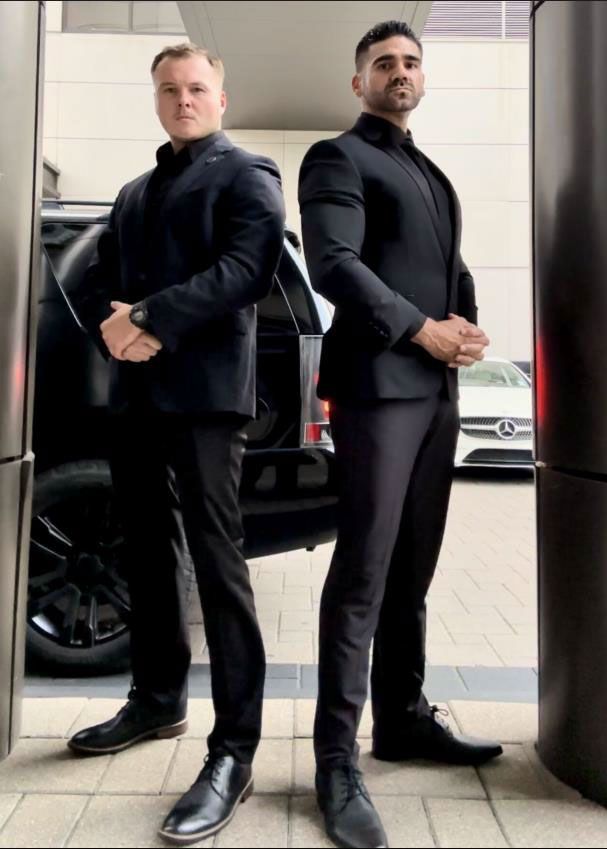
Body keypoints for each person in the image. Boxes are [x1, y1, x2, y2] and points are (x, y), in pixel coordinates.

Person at [67, 43, 285, 846]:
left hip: (204, 400)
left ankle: (234, 750)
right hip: (137, 398)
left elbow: (248, 268)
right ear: (155, 98)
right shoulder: (131, 191)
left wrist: (151, 318)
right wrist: (115, 331)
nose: (183, 99)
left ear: (221, 98)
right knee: (147, 557)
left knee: (218, 565)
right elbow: (94, 277)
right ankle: (157, 699)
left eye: (197, 88)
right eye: (170, 89)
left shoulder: (247, 171)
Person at [298, 21, 503, 849]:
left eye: (412, 62)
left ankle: (404, 717)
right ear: (359, 83)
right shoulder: (338, 158)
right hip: (380, 385)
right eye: (384, 63)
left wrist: (467, 326)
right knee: (365, 570)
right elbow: (334, 264)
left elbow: (453, 268)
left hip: (438, 391)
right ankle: (334, 759)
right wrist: (420, 328)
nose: (400, 72)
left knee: (414, 565)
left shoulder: (432, 174)